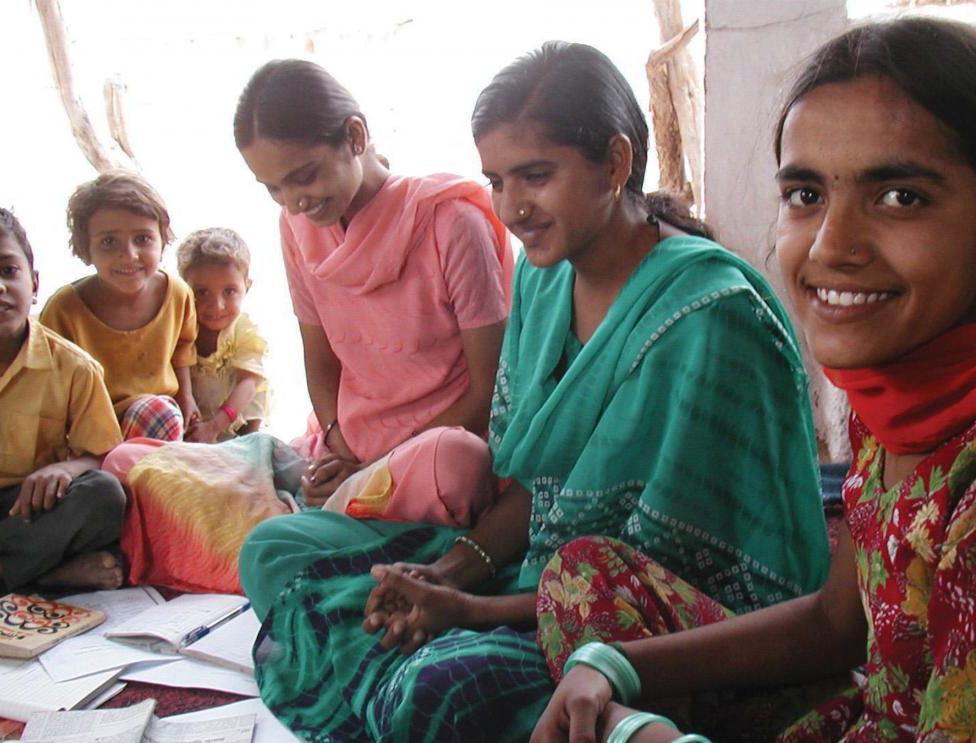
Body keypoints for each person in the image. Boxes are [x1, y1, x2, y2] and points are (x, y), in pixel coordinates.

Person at [238, 42, 829, 742]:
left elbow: (656, 572)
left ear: (614, 162)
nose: (512, 206)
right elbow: (537, 483)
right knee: (273, 551)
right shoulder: (545, 278)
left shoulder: (708, 318)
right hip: (536, 562)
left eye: (535, 176)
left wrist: (470, 606)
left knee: (440, 687)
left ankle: (588, 712)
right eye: (496, 180)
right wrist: (450, 570)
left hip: (646, 622)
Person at [532, 18, 976, 743]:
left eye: (900, 197)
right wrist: (617, 665)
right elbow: (836, 621)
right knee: (582, 575)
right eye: (806, 194)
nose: (831, 246)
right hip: (867, 709)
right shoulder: (903, 388)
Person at [233, 59, 514, 510]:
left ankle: (361, 518)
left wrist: (374, 469)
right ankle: (355, 514)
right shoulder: (296, 226)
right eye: (274, 188)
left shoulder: (452, 223)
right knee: (262, 550)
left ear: (356, 137)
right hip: (354, 446)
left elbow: (489, 391)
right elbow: (319, 356)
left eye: (304, 176)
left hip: (444, 448)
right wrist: (336, 442)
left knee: (455, 464)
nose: (294, 202)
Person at [0, 204, 125, 591]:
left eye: (7, 270)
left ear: (35, 283)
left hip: (22, 511)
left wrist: (65, 470)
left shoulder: (73, 368)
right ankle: (45, 574)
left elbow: (101, 455)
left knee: (102, 495)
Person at [40, 171, 198, 441]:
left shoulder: (177, 295)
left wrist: (186, 397)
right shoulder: (64, 309)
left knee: (157, 412)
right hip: (90, 427)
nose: (129, 255)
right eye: (109, 242)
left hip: (160, 420)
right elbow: (50, 389)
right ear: (85, 248)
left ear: (162, 241)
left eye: (143, 239)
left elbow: (182, 349)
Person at [176, 227, 269, 443]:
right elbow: (179, 363)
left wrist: (214, 427)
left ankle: (248, 445)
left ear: (247, 286)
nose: (216, 306)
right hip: (194, 411)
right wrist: (186, 399)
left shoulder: (244, 330)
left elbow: (248, 384)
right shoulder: (181, 323)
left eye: (229, 291)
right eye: (202, 292)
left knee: (254, 384)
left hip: (236, 413)